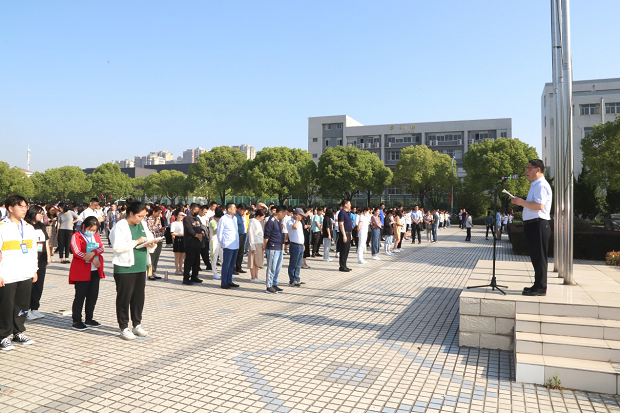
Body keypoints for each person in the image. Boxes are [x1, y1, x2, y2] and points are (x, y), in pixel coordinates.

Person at [109, 202, 158, 340]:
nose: (141, 219)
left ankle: (137, 324)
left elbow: (149, 239)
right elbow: (117, 246)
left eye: (143, 216)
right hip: (125, 268)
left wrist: (152, 244)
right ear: (131, 213)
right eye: (139, 216)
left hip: (141, 266)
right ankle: (124, 327)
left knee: (138, 298)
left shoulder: (142, 225)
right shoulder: (120, 226)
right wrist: (136, 241)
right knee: (124, 298)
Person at [0, 195, 38, 350]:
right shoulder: (2, 227)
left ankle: (18, 331)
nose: (24, 209)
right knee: (6, 306)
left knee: (22, 304)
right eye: (20, 206)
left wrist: (34, 270)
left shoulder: (29, 228)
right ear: (10, 208)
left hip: (25, 273)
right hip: (7, 274)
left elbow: (33, 251)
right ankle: (3, 335)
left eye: (25, 206)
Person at [511, 159, 552, 297]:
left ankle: (541, 287)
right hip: (533, 224)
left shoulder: (541, 185)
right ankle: (537, 285)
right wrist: (520, 202)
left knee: (539, 257)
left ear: (537, 169)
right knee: (536, 257)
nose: (526, 171)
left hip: (538, 224)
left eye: (528, 168)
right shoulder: (535, 185)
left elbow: (539, 206)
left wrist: (521, 202)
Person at [69, 216, 105, 331]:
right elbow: (77, 252)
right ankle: (76, 320)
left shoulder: (96, 236)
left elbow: (101, 247)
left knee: (92, 295)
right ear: (84, 226)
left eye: (94, 230)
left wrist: (93, 253)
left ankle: (89, 318)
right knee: (80, 296)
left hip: (95, 270)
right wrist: (92, 259)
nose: (92, 232)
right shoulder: (76, 236)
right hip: (81, 270)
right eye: (90, 229)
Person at [25, 205, 51, 321]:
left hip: (42, 258)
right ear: (33, 213)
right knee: (31, 284)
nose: (42, 215)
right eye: (39, 213)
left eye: (42, 213)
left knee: (39, 284)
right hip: (31, 258)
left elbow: (46, 242)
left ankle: (35, 308)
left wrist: (48, 256)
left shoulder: (41, 225)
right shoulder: (27, 226)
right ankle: (27, 309)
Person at [217, 203, 240, 290]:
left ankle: (229, 281)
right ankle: (224, 282)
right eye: (234, 208)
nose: (235, 209)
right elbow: (219, 233)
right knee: (226, 264)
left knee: (232, 265)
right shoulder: (223, 219)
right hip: (228, 245)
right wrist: (223, 244)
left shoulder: (235, 218)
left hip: (235, 245)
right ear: (229, 209)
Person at [264, 205, 285, 294]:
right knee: (271, 268)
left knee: (277, 267)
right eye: (284, 214)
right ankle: (269, 286)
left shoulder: (278, 221)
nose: (284, 216)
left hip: (279, 247)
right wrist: (266, 247)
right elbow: (266, 236)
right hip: (272, 247)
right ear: (280, 212)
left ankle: (274, 283)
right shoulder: (271, 221)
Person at [182, 203, 205, 285]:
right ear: (191, 209)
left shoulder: (197, 218)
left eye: (198, 211)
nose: (196, 212)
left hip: (198, 243)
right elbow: (189, 229)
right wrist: (196, 235)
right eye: (195, 210)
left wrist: (202, 233)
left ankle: (194, 276)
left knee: (197, 261)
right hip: (190, 243)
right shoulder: (186, 219)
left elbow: (201, 227)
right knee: (189, 261)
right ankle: (186, 278)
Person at [287, 208, 306, 286]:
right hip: (294, 245)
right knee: (293, 263)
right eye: (301, 216)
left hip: (300, 245)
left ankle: (297, 278)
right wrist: (297, 220)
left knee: (298, 264)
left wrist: (303, 244)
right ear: (297, 215)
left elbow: (300, 234)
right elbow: (294, 227)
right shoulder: (289, 222)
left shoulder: (300, 223)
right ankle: (292, 280)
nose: (302, 217)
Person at [145, 206, 164, 280]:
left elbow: (159, 228)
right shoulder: (149, 219)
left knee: (156, 257)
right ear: (154, 212)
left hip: (159, 239)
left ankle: (154, 271)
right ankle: (149, 273)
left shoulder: (158, 219)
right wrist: (156, 224)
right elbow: (150, 229)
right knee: (151, 257)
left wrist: (162, 229)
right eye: (158, 213)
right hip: (152, 240)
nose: (159, 215)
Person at [247, 209, 265, 282]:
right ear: (258, 216)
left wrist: (263, 243)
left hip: (259, 243)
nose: (263, 218)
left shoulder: (258, 222)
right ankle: (253, 277)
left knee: (257, 262)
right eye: (262, 217)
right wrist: (252, 247)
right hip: (254, 243)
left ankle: (256, 276)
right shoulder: (252, 222)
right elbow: (251, 235)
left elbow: (261, 234)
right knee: (253, 261)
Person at [337, 200, 353, 272]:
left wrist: (350, 234)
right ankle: (342, 266)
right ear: (345, 204)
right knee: (343, 250)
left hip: (348, 233)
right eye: (349, 204)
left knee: (346, 250)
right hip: (344, 233)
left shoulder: (347, 213)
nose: (350, 205)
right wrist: (344, 235)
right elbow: (341, 224)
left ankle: (345, 265)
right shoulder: (342, 213)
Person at [209, 208, 224, 280]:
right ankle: (215, 272)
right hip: (214, 241)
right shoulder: (212, 222)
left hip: (220, 241)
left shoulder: (219, 222)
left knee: (223, 257)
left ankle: (224, 272)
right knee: (214, 257)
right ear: (217, 217)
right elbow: (217, 229)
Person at [233, 203, 247, 275]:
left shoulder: (241, 216)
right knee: (236, 252)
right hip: (236, 235)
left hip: (242, 235)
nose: (243, 212)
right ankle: (233, 268)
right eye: (242, 210)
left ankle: (239, 267)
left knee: (241, 252)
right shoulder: (235, 216)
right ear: (238, 209)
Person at [197, 205, 212, 272]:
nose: (205, 213)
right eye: (204, 212)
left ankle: (208, 265)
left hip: (205, 236)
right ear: (200, 210)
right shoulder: (197, 217)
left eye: (206, 212)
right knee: (198, 252)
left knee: (205, 252)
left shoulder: (204, 217)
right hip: (199, 236)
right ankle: (197, 266)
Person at [171, 211, 186, 275]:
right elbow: (172, 233)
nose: (181, 217)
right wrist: (180, 234)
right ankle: (177, 269)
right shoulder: (174, 223)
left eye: (182, 216)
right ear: (177, 216)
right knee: (177, 256)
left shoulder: (184, 223)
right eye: (180, 215)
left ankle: (181, 269)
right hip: (178, 239)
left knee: (182, 256)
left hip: (183, 239)